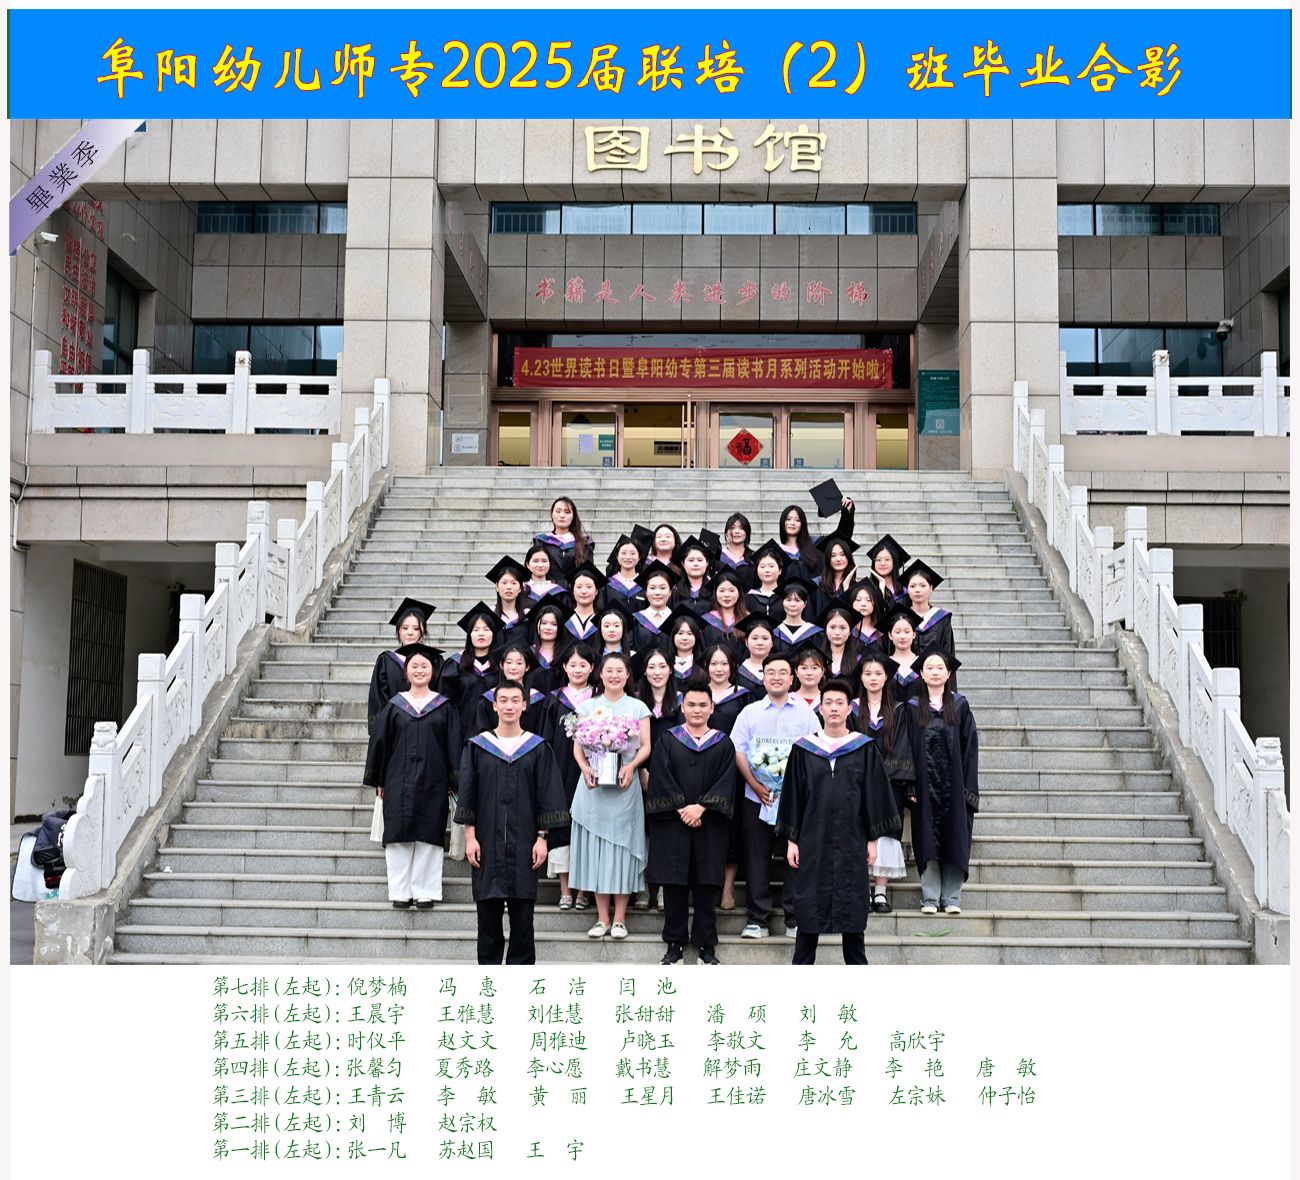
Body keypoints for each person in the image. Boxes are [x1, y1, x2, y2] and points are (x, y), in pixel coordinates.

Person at [777, 679, 901, 964]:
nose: (833, 708)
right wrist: (792, 840)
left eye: (839, 703)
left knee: (852, 912)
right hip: (812, 840)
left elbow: (874, 796)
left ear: (849, 709)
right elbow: (794, 796)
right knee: (809, 912)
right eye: (828, 703)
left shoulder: (864, 748)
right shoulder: (804, 749)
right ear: (820, 709)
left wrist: (873, 840)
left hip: (853, 839)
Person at [456, 681, 569, 965]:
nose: (509, 706)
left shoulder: (537, 748)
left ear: (524, 705)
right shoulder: (478, 746)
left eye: (515, 700)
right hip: (486, 845)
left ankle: (520, 982)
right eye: (503, 700)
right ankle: (490, 981)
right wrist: (470, 837)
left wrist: (542, 838)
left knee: (523, 925)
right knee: (488, 924)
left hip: (524, 845)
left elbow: (546, 794)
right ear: (494, 705)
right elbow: (468, 794)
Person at [647, 677, 738, 966]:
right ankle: (674, 944)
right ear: (682, 707)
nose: (697, 710)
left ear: (712, 708)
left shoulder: (723, 743)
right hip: (673, 824)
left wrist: (701, 807)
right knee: (674, 886)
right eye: (691, 704)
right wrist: (682, 808)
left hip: (709, 825)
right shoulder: (668, 740)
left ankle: (706, 946)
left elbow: (727, 781)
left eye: (702, 705)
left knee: (706, 886)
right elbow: (660, 777)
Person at [364, 642, 461, 909]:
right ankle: (400, 890)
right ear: (406, 672)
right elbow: (380, 744)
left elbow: (453, 745)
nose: (419, 670)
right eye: (414, 666)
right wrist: (380, 779)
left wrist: (455, 780)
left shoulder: (444, 707)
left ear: (433, 671)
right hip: (398, 778)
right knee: (398, 833)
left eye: (424, 666)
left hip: (434, 778)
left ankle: (425, 891)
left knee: (430, 833)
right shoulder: (394, 706)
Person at [730, 652, 819, 939]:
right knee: (756, 859)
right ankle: (758, 919)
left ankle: (794, 918)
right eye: (771, 672)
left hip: (794, 801)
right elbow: (738, 750)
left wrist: (796, 788)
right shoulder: (749, 713)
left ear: (792, 679)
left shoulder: (806, 714)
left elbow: (815, 751)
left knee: (796, 858)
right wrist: (755, 784)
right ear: (763, 677)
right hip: (757, 797)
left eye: (782, 672)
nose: (776, 677)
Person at [569, 652, 653, 940]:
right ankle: (602, 918)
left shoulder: (638, 707)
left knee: (621, 853)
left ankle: (619, 919)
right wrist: (584, 768)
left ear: (628, 675)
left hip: (624, 786)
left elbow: (645, 746)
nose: (614, 675)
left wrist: (632, 766)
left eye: (620, 670)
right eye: (609, 670)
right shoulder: (588, 706)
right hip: (593, 787)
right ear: (600, 674)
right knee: (597, 852)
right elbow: (578, 746)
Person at [909, 650, 978, 915]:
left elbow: (970, 749)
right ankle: (929, 898)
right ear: (922, 673)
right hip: (924, 787)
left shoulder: (960, 706)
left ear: (948, 673)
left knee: (954, 837)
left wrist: (967, 788)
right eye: (930, 667)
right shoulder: (913, 708)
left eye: (940, 667)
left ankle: (951, 898)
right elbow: (907, 748)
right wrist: (910, 785)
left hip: (954, 786)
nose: (935, 672)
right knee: (926, 839)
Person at [854, 651, 915, 914]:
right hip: (857, 781)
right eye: (868, 673)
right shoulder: (851, 708)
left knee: (886, 832)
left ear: (886, 677)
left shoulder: (899, 710)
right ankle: (861, 889)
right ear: (861, 677)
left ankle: (880, 892)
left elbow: (903, 746)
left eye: (878, 673)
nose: (873, 678)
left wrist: (882, 775)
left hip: (889, 784)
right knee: (858, 832)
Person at [540, 642, 596, 911]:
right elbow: (546, 739)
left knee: (588, 829)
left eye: (583, 665)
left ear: (592, 668)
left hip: (591, 774)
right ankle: (565, 889)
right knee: (561, 827)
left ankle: (584, 889)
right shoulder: (554, 699)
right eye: (572, 665)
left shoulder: (599, 700)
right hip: (560, 771)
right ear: (564, 667)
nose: (577, 669)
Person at [368, 597, 435, 734]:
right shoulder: (386, 662)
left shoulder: (434, 661)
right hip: (394, 731)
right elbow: (379, 701)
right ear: (398, 630)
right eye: (405, 628)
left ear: (423, 633)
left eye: (416, 628)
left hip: (428, 731)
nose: (410, 632)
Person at [439, 603, 505, 741]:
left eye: (486, 629)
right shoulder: (455, 664)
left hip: (495, 734)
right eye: (476, 630)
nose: (481, 633)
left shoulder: (502, 665)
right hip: (461, 732)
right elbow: (445, 703)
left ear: (493, 634)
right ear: (469, 635)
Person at [472, 642, 547, 737]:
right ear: (501, 665)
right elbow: (482, 734)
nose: (513, 667)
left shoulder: (537, 700)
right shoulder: (488, 699)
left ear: (527, 667)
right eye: (509, 662)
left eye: (519, 663)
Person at [776, 496, 855, 582]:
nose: (792, 523)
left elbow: (841, 539)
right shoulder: (776, 552)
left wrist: (847, 513)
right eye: (788, 519)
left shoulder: (816, 544)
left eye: (797, 520)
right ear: (783, 522)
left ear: (802, 524)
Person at [902, 559, 957, 675]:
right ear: (907, 589)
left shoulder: (942, 619)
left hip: (935, 677)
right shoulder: (901, 618)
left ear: (931, 588)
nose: (917, 590)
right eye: (913, 586)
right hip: (907, 678)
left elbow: (948, 654)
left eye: (923, 586)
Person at [534, 496, 593, 586]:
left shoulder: (584, 542)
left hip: (576, 591)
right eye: (558, 511)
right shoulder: (541, 541)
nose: (562, 515)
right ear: (552, 514)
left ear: (573, 516)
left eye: (567, 512)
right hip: (548, 590)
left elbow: (588, 573)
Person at [698, 570, 749, 656]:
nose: (726, 595)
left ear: (739, 593)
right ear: (715, 593)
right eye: (722, 591)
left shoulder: (748, 619)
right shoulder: (706, 621)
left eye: (731, 590)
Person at [631, 561, 677, 651]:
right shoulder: (636, 619)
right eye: (652, 588)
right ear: (646, 592)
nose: (657, 592)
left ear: (670, 592)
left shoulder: (676, 620)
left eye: (662, 588)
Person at [772, 576, 824, 653]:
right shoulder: (775, 632)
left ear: (805, 604)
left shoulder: (814, 633)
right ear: (783, 602)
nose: (792, 604)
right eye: (788, 600)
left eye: (797, 600)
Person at [812, 534, 859, 617]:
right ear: (828, 559)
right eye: (833, 555)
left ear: (848, 557)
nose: (838, 559)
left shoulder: (856, 587)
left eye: (842, 554)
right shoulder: (817, 585)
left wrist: (846, 589)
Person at [883, 606, 925, 701]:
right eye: (897, 632)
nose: (902, 636)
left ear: (914, 634)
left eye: (907, 632)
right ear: (890, 635)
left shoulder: (922, 663)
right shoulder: (885, 664)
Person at [817, 600, 864, 680]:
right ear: (826, 630)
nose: (837, 632)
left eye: (842, 628)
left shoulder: (859, 660)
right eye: (832, 627)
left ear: (850, 631)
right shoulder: (817, 659)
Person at [527, 602, 567, 696]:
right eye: (544, 623)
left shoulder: (566, 654)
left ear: (560, 628)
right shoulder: (528, 653)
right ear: (537, 625)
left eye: (554, 624)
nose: (548, 628)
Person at [745, 540, 790, 619]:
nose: (767, 570)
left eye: (771, 566)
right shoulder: (749, 598)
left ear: (780, 570)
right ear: (757, 571)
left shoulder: (787, 596)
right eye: (762, 566)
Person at [600, 535, 647, 610]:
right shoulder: (607, 585)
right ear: (617, 556)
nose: (628, 557)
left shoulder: (646, 584)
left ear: (639, 557)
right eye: (624, 553)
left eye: (632, 553)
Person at [485, 555, 529, 633]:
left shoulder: (527, 614)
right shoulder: (489, 613)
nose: (509, 587)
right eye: (504, 583)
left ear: (520, 588)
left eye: (514, 583)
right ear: (497, 587)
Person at [865, 534, 911, 609]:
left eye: (887, 559)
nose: (882, 563)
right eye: (878, 560)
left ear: (894, 562)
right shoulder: (866, 588)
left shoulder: (905, 590)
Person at [564, 561, 605, 642]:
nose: (584, 591)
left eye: (589, 587)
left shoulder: (603, 619)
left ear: (596, 591)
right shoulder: (564, 619)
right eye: (579, 587)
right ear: (573, 591)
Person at [672, 537, 714, 612]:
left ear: (707, 563)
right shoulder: (674, 590)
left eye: (700, 560)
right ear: (683, 564)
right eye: (691, 560)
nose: (695, 564)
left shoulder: (714, 589)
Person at [735, 615, 775, 694]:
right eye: (755, 638)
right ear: (746, 642)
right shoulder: (738, 670)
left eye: (765, 638)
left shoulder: (781, 668)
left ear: (772, 642)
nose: (760, 643)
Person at [522, 542, 568, 608]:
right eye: (535, 561)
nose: (540, 565)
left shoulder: (559, 592)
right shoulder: (521, 589)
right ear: (527, 564)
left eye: (544, 561)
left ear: (549, 563)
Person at [717, 512, 754, 588]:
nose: (737, 531)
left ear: (747, 533)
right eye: (732, 528)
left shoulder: (753, 558)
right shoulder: (718, 557)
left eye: (741, 528)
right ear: (726, 533)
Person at [850, 579, 886, 649]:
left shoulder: (882, 633)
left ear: (874, 604)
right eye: (858, 600)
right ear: (852, 604)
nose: (863, 604)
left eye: (868, 600)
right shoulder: (848, 631)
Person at [792, 643, 827, 715]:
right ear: (796, 672)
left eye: (814, 668)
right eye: (804, 668)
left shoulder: (828, 700)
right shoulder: (788, 700)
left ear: (822, 672)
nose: (809, 673)